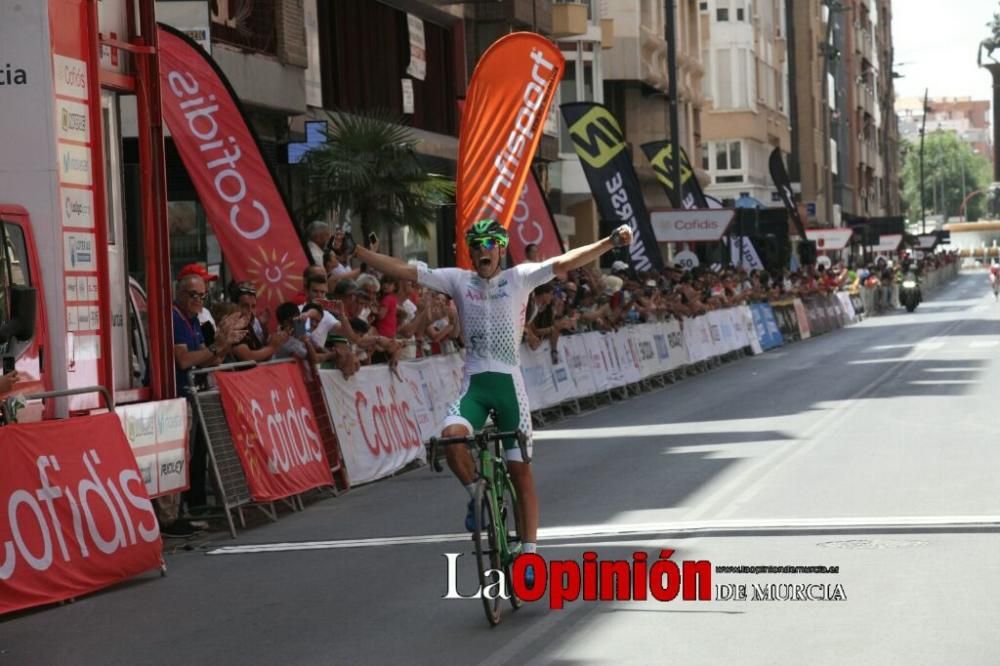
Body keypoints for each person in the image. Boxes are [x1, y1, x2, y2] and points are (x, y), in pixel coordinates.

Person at [354, 218, 633, 584]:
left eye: (490, 244)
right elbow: (406, 269)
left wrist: (608, 243)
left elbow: (566, 262)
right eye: (477, 245)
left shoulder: (519, 278)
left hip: (508, 387)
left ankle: (529, 557)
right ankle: (477, 497)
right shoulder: (457, 280)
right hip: (474, 385)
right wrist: (358, 252)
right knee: (452, 438)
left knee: (521, 475)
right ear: (471, 252)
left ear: (500, 248)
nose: (483, 250)